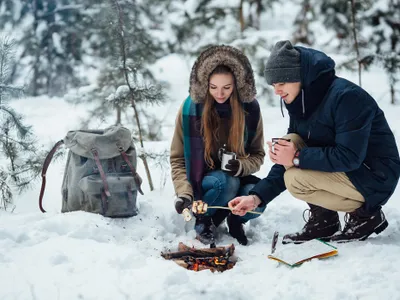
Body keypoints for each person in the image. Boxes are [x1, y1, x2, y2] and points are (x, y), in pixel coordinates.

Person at [228, 40, 400, 244]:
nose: (277, 91)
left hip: (375, 176)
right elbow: (290, 157)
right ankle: (325, 220)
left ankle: (365, 217)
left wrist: (297, 157)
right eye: (274, 85)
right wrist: (256, 198)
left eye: (281, 83)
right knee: (290, 142)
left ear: (298, 77)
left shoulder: (346, 97)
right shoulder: (301, 100)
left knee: (295, 178)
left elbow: (350, 156)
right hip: (352, 172)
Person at [170, 45, 265, 246]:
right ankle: (205, 221)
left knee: (259, 198)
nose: (220, 94)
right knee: (225, 181)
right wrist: (184, 193)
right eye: (213, 87)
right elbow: (178, 158)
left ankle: (235, 220)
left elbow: (257, 155)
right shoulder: (190, 109)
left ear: (237, 85)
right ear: (205, 84)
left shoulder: (250, 110)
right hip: (205, 185)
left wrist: (241, 166)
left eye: (227, 88)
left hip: (238, 178)